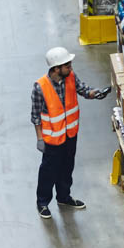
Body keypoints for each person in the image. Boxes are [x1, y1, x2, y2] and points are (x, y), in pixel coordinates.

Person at [32, 46, 111, 219]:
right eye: (67, 65)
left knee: (67, 168)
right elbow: (36, 116)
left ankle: (64, 197)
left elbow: (83, 89)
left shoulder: (71, 77)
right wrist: (40, 139)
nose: (71, 68)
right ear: (56, 68)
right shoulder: (40, 87)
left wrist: (95, 93)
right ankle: (42, 203)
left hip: (70, 135)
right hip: (52, 139)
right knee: (48, 172)